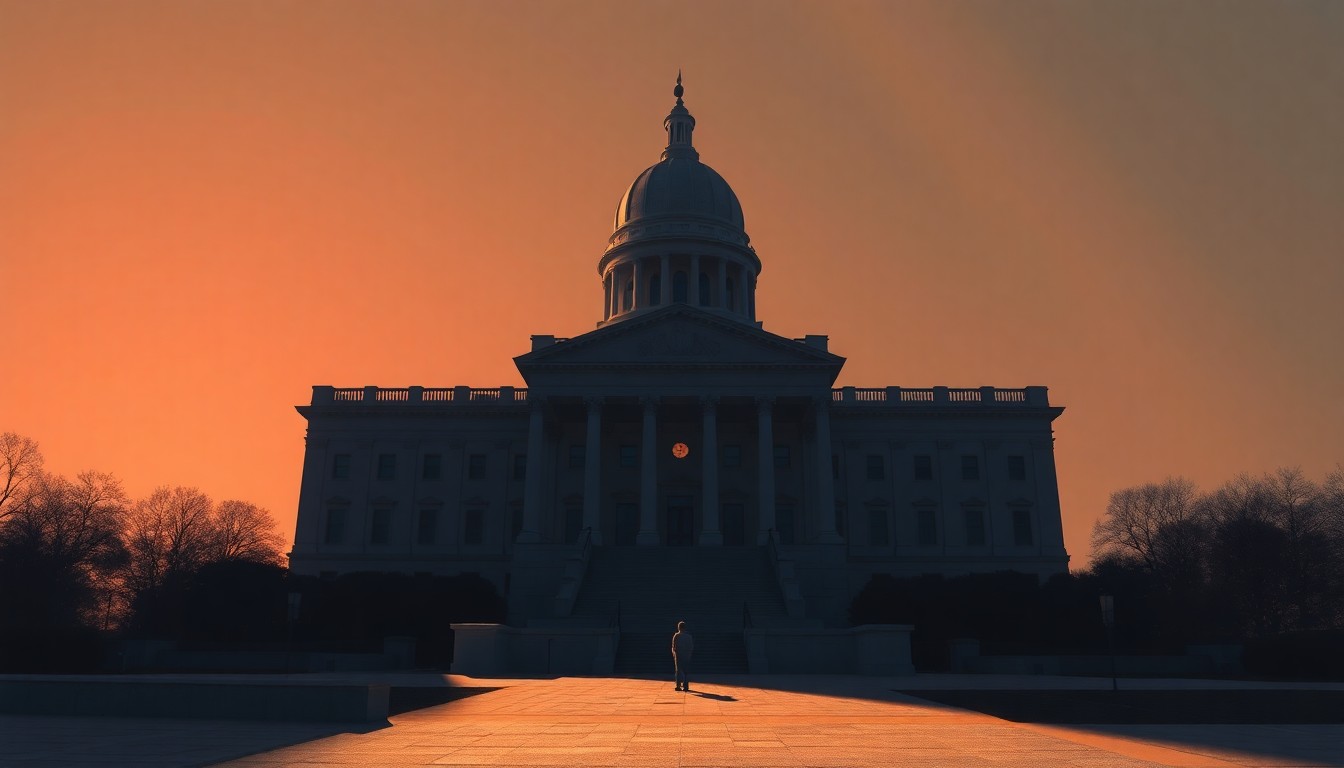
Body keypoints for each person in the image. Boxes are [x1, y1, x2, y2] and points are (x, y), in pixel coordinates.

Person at [672, 620, 694, 691]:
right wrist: (689, 654)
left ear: (678, 627)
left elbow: (673, 647)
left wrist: (674, 654)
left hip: (678, 655)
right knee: (686, 671)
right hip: (686, 656)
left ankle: (678, 686)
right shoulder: (689, 637)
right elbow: (691, 647)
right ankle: (686, 686)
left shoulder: (676, 636)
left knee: (678, 671)